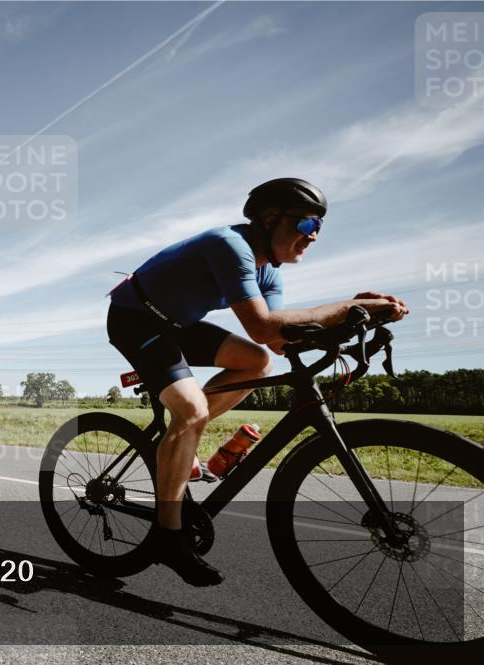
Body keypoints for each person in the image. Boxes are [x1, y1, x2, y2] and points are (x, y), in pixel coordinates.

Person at [107, 178, 408, 586]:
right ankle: (168, 533)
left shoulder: (270, 275)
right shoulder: (229, 245)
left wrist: (358, 315)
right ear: (270, 220)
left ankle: (182, 432)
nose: (313, 236)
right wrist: (347, 306)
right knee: (192, 409)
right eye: (305, 224)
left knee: (257, 360)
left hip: (178, 324)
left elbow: (278, 340)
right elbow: (261, 323)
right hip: (134, 318)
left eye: (320, 227)